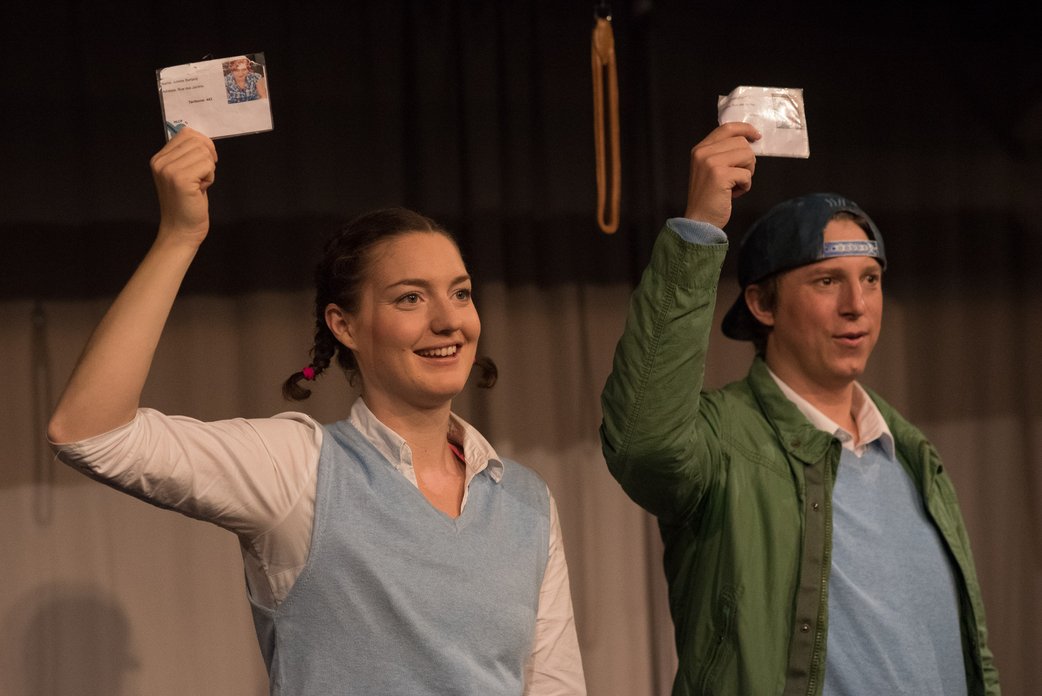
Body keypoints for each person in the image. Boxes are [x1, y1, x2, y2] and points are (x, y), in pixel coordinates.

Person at [47, 127, 586, 695]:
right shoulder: (297, 469)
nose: (449, 320)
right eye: (410, 297)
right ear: (344, 325)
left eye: (460, 292)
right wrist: (180, 236)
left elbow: (553, 685)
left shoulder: (525, 501)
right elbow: (89, 433)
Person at [599, 122, 1000, 696]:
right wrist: (699, 229)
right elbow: (643, 443)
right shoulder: (723, 441)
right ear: (761, 302)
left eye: (871, 278)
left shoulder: (913, 456)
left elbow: (973, 651)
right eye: (826, 280)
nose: (856, 305)